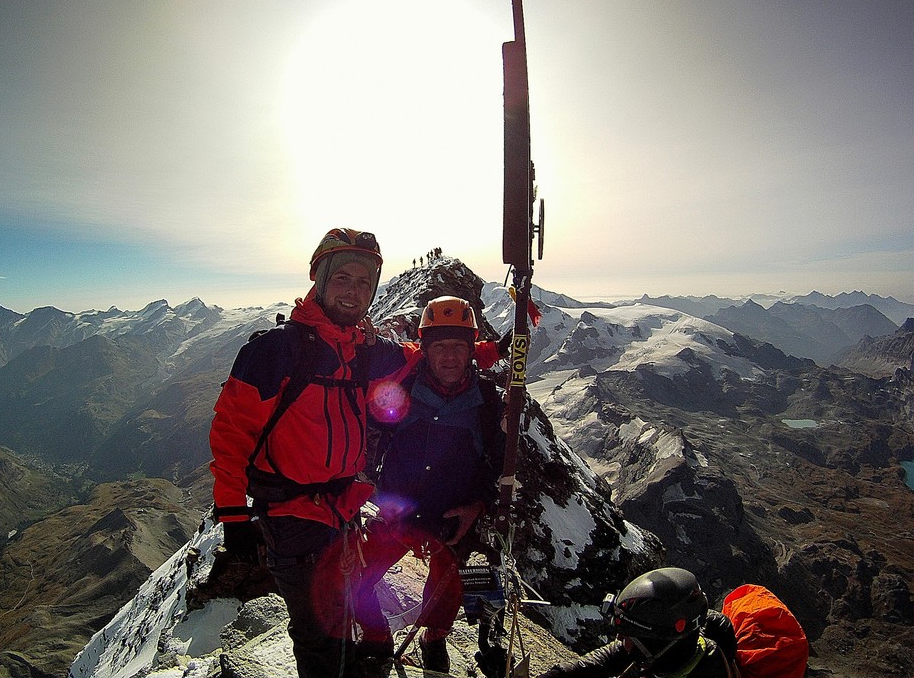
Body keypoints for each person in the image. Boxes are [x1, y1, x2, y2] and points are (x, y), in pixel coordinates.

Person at [209, 229, 502, 678]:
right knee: (320, 633)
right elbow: (232, 434)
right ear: (319, 280)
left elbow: (428, 354)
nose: (354, 290)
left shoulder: (367, 353)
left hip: (342, 511)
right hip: (292, 516)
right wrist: (232, 516)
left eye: (364, 282)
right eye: (343, 278)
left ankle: (368, 657)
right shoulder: (275, 351)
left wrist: (489, 351)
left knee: (339, 618)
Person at [354, 296, 506, 675]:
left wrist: (478, 506)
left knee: (448, 588)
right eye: (440, 347)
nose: (450, 357)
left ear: (472, 350)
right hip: (396, 513)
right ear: (425, 349)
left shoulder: (488, 402)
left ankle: (434, 638)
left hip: (449, 519)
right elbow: (365, 437)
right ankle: (376, 635)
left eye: (458, 347)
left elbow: (500, 467)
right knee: (354, 576)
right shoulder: (400, 387)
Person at [538, 567, 738, 678]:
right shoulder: (666, 652)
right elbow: (595, 664)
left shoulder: (709, 672)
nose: (620, 640)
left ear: (660, 640)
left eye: (630, 636)